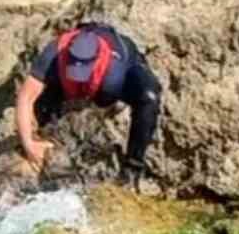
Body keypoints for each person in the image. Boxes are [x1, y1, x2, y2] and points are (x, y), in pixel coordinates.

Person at [15, 19, 163, 185]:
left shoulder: (114, 70)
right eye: (75, 70)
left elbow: (109, 101)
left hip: (124, 65)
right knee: (42, 108)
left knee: (149, 98)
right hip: (68, 77)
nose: (78, 73)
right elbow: (25, 97)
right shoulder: (54, 53)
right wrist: (28, 144)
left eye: (82, 71)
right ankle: (46, 149)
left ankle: (133, 167)